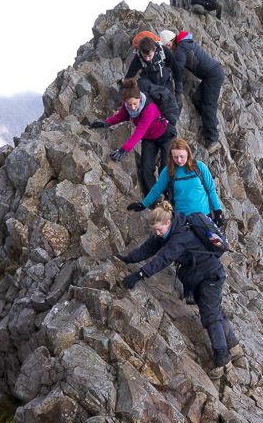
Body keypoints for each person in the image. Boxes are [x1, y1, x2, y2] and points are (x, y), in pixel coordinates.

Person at [120, 200, 242, 377]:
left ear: (168, 222)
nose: (157, 233)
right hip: (200, 276)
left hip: (210, 276)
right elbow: (150, 247)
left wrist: (139, 275)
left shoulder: (180, 237)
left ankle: (223, 360)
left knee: (211, 316)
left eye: (159, 230)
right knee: (213, 310)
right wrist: (128, 259)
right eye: (155, 230)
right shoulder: (170, 230)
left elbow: (163, 259)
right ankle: (234, 347)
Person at [88, 80, 171, 195]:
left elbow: (140, 130)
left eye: (135, 104)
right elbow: (121, 116)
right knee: (146, 168)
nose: (132, 107)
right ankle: (155, 199)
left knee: (166, 167)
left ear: (140, 99)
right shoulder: (126, 106)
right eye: (129, 105)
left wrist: (124, 149)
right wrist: (105, 123)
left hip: (165, 134)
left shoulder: (149, 108)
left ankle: (170, 196)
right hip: (150, 138)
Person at [128, 138, 224, 225]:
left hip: (204, 217)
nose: (179, 160)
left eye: (182, 156)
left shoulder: (200, 167)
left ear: (188, 153)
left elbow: (211, 190)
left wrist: (218, 211)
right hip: (182, 219)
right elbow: (156, 190)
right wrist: (143, 204)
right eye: (175, 157)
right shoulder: (168, 172)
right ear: (171, 156)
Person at [158, 30, 225, 154]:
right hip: (210, 74)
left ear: (172, 40)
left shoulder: (181, 47)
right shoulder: (183, 44)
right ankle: (214, 123)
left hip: (213, 75)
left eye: (168, 45)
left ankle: (213, 140)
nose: (168, 48)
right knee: (197, 99)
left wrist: (178, 92)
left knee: (208, 105)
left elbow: (179, 67)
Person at [122, 34, 179, 134]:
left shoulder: (164, 51)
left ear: (155, 49)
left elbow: (176, 69)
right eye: (145, 56)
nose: (147, 59)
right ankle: (146, 124)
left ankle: (169, 132)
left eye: (150, 55)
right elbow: (129, 76)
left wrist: (180, 91)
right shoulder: (138, 58)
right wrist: (122, 99)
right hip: (151, 86)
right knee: (141, 84)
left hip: (165, 84)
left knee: (171, 112)